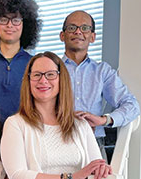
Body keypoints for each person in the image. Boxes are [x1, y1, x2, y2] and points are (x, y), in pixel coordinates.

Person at [0, 51, 112, 179]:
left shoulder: (80, 125)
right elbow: (18, 177)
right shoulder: (16, 124)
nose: (43, 80)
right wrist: (72, 178)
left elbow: (94, 167)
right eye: (37, 75)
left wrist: (102, 169)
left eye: (50, 74)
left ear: (62, 79)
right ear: (28, 81)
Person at [60, 10, 140, 160]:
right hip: (57, 141)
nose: (78, 32)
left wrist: (104, 120)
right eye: (72, 27)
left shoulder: (103, 71)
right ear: (62, 35)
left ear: (93, 37)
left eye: (85, 28)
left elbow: (132, 105)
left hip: (94, 143)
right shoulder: (51, 69)